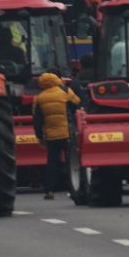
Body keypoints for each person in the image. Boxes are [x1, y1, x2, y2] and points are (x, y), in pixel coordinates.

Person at [32, 70, 81, 200]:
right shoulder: (65, 91)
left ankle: (49, 191)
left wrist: (39, 137)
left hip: (51, 136)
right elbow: (77, 103)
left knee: (52, 163)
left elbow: (37, 120)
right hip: (67, 133)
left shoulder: (39, 98)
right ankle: (73, 188)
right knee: (72, 162)